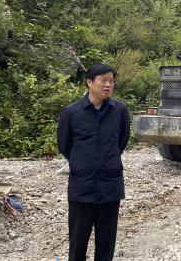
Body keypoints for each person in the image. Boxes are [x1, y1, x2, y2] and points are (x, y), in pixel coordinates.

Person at [57, 64, 130, 261]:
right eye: (103, 80)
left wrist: (107, 160)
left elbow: (122, 141)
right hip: (82, 186)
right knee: (77, 242)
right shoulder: (71, 112)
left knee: (106, 244)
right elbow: (64, 145)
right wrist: (83, 163)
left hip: (110, 186)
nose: (108, 85)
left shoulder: (120, 110)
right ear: (89, 82)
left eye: (111, 81)